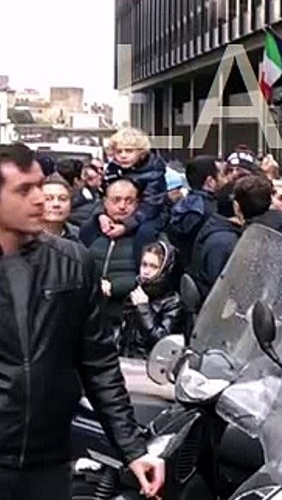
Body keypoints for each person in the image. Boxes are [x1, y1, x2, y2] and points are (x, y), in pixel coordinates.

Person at [0, 144, 164, 498]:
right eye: (23, 190)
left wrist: (132, 448)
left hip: (48, 460)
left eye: (39, 186)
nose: (40, 199)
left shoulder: (73, 262)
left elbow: (99, 363)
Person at [81, 175, 152, 331]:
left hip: (128, 317)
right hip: (90, 314)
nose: (122, 206)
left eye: (129, 201)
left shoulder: (146, 235)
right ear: (105, 202)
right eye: (116, 200)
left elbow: (153, 275)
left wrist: (115, 287)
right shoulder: (90, 230)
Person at [101, 127, 169, 257]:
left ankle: (141, 269)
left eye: (129, 151)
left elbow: (151, 205)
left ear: (141, 152)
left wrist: (126, 226)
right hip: (122, 209)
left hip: (153, 213)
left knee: (145, 234)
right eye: (119, 151)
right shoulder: (113, 169)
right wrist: (102, 215)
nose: (123, 155)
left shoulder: (153, 170)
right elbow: (103, 194)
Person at [119, 240, 186, 358]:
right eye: (144, 264)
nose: (146, 271)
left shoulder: (173, 302)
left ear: (164, 270)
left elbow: (163, 342)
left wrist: (144, 309)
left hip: (150, 364)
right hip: (126, 358)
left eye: (153, 266)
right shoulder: (137, 291)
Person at [39, 174, 79, 242]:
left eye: (62, 199)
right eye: (48, 199)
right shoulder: (24, 237)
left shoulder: (79, 236)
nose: (56, 204)